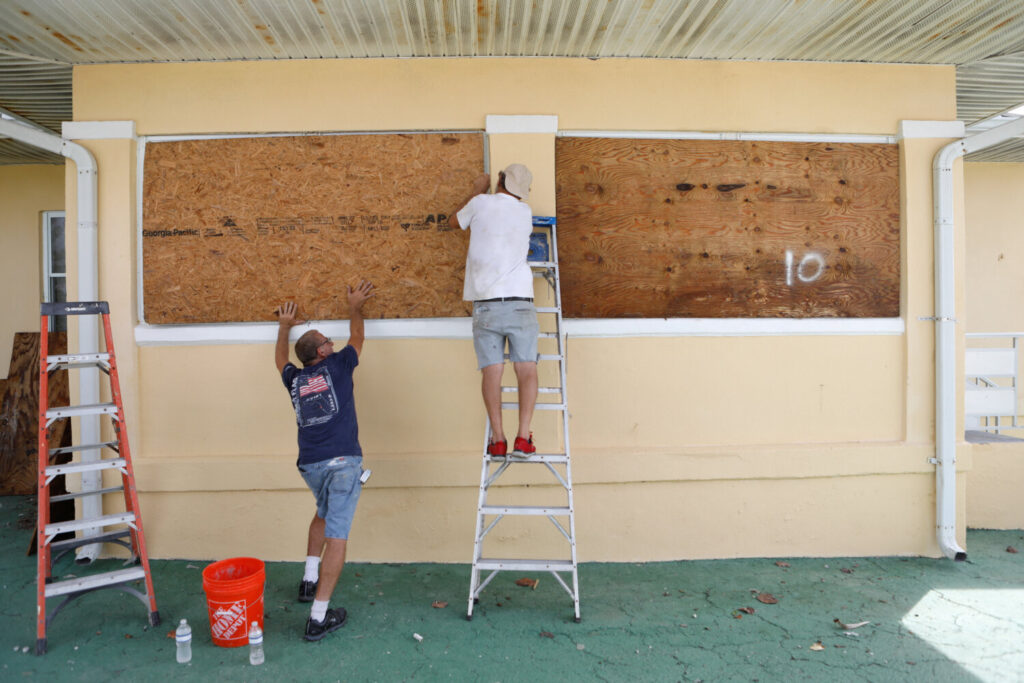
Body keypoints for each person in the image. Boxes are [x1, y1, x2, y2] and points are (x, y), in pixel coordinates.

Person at [274, 280, 375, 642]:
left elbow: (280, 361)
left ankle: (308, 579)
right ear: (322, 351)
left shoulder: (297, 380)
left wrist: (284, 327)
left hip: (311, 466)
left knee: (322, 512)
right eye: (326, 339)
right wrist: (354, 305)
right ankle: (318, 617)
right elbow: (359, 335)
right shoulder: (338, 365)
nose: (333, 342)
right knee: (337, 537)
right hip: (344, 464)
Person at [448, 163, 538, 458]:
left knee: (492, 372)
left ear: (500, 180)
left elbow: (453, 222)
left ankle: (498, 439)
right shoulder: (525, 213)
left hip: (486, 303)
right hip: (520, 301)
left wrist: (477, 188)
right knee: (526, 368)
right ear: (521, 193)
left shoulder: (479, 202)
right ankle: (523, 437)